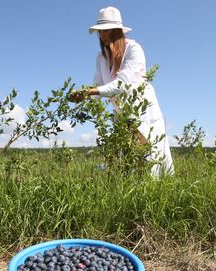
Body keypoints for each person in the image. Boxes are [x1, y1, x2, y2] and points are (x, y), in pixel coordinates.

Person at [69, 6, 174, 177]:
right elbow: (98, 84)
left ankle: (152, 195)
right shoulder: (101, 58)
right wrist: (84, 97)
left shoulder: (134, 50)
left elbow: (121, 84)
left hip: (142, 110)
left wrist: (90, 92)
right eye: (100, 31)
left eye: (106, 30)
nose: (102, 35)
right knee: (125, 158)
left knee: (146, 156)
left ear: (117, 31)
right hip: (121, 112)